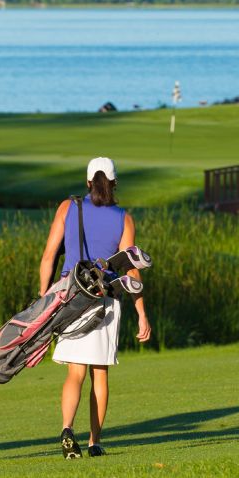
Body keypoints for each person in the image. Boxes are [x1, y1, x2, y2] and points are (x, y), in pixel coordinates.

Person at [38, 157, 151, 459]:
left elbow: (49, 257)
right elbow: (131, 271)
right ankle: (95, 442)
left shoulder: (68, 207)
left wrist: (44, 299)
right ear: (114, 183)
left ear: (88, 182)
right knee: (99, 375)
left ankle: (66, 430)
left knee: (75, 373)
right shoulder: (124, 218)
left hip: (71, 295)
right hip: (105, 297)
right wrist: (141, 312)